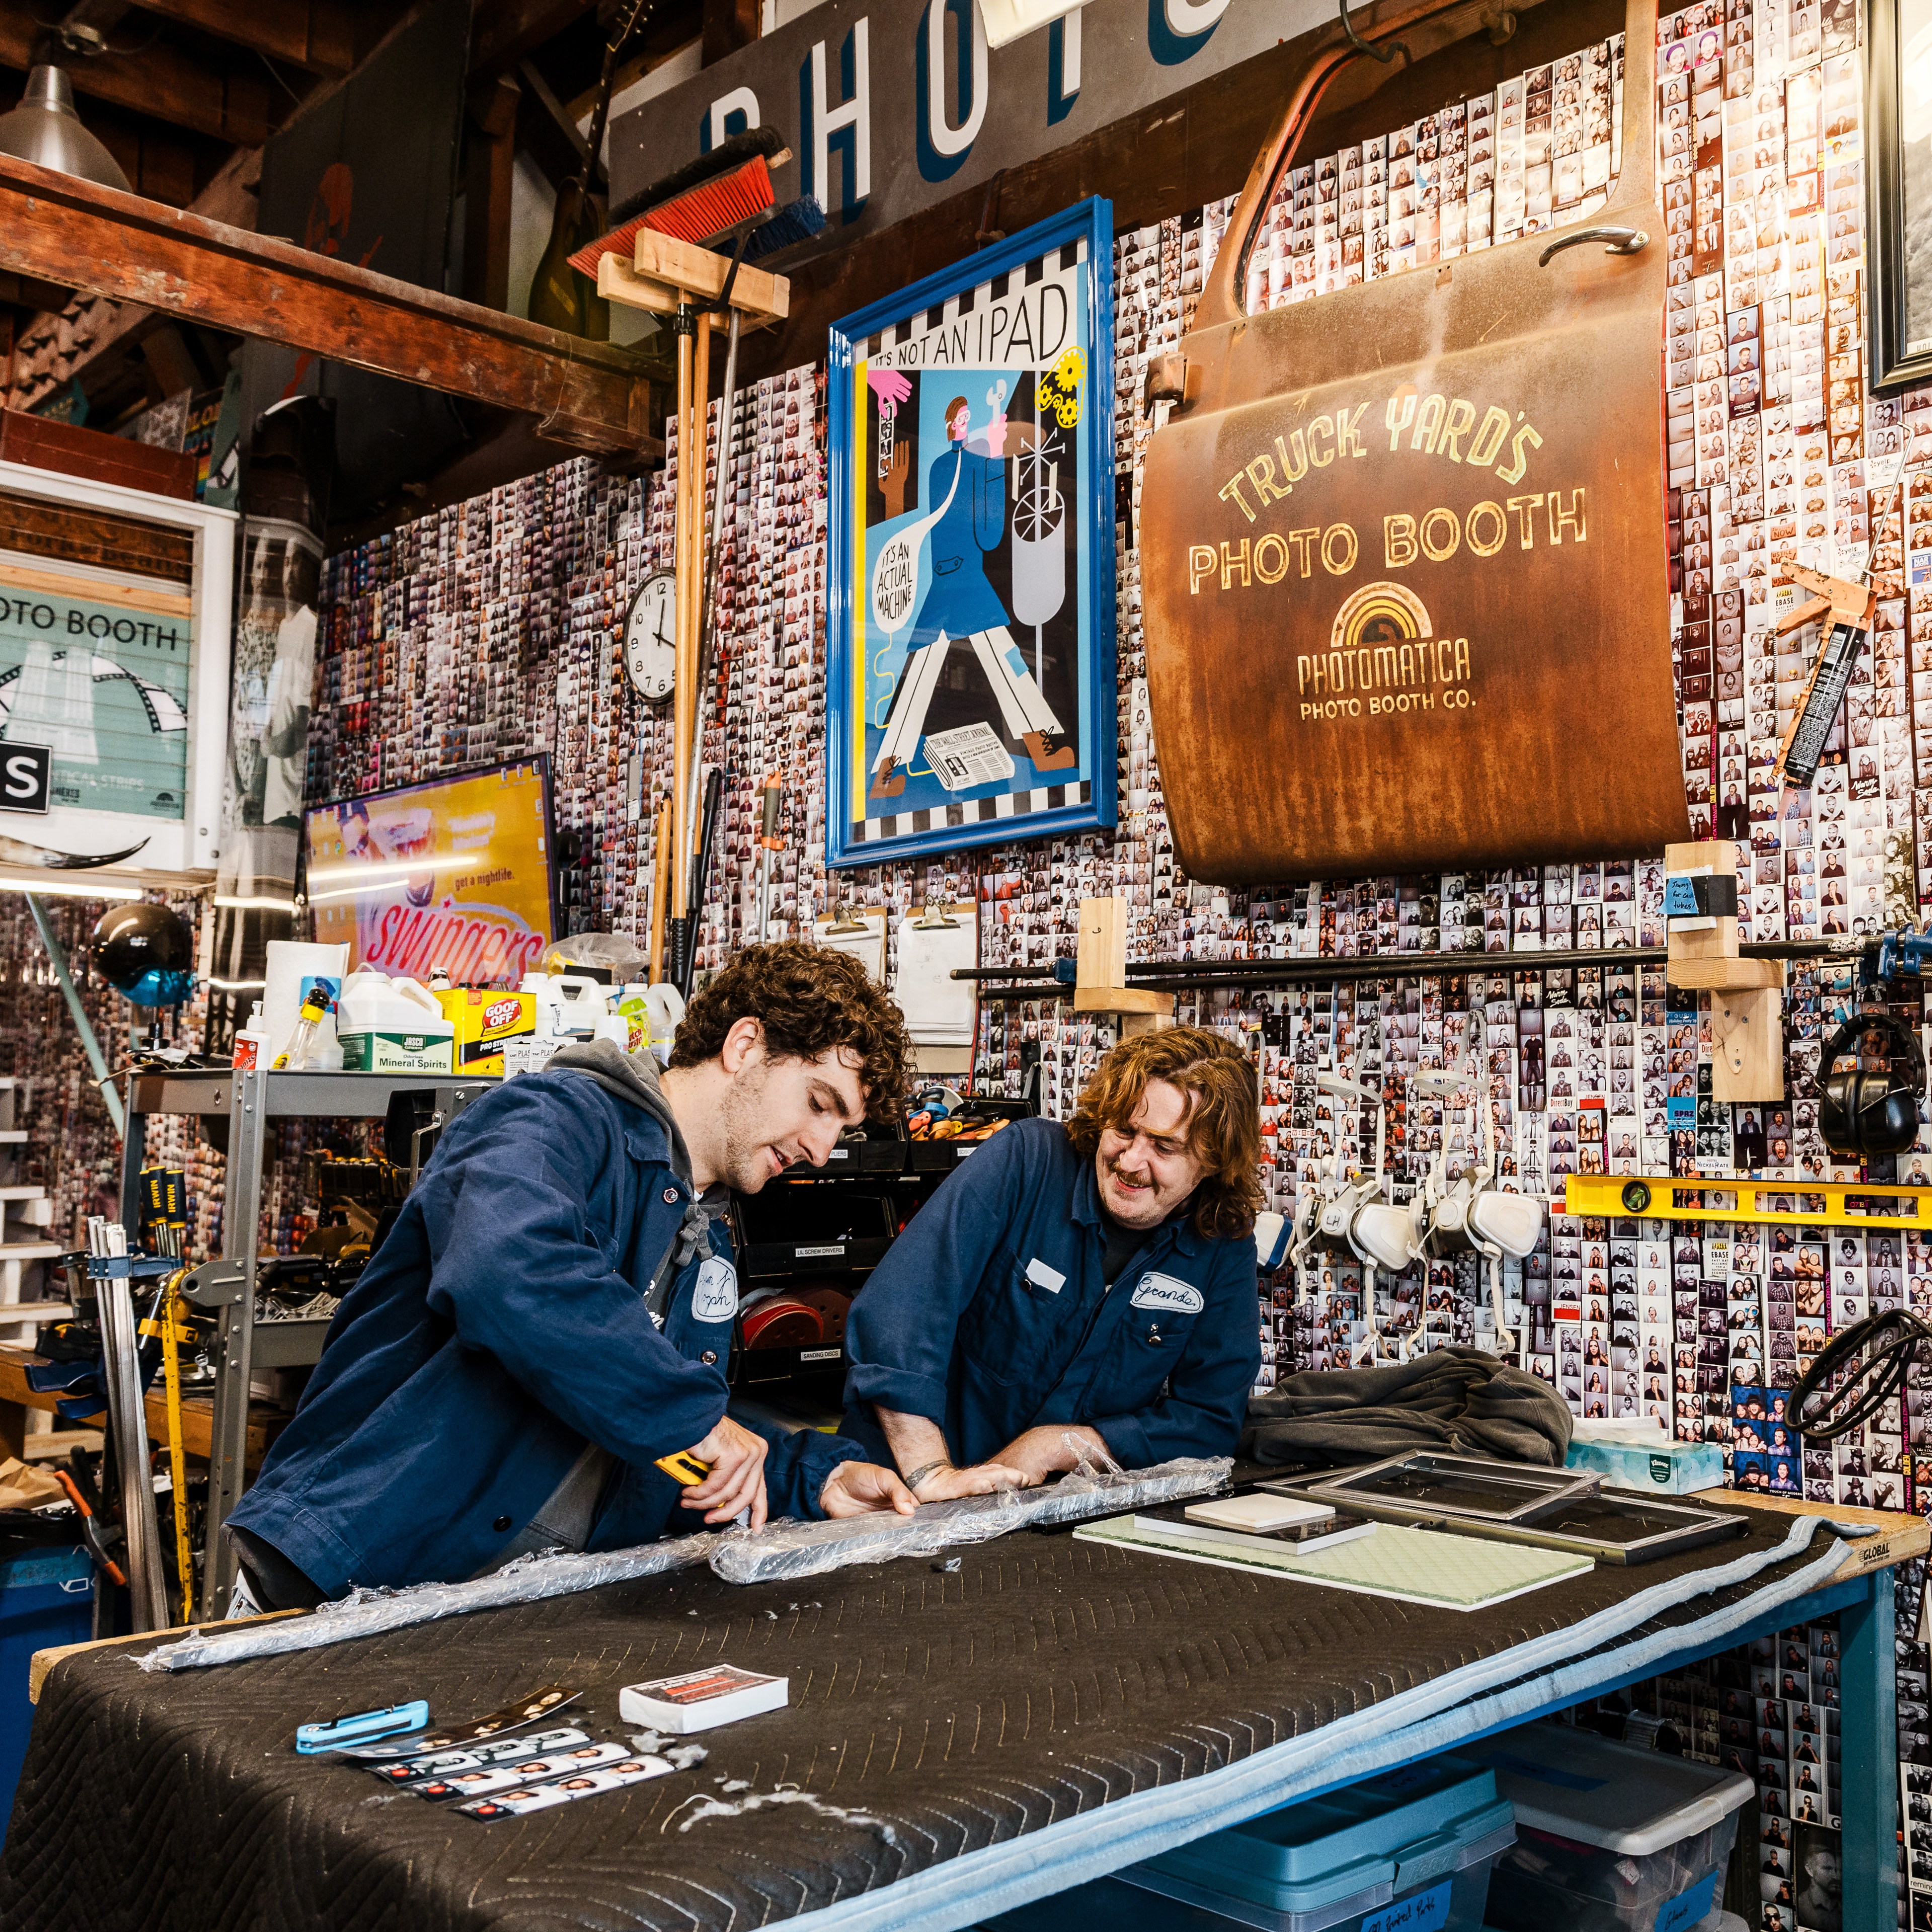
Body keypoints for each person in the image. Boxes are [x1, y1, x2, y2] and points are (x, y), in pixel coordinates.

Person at [225, 944, 943, 1608]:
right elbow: (505, 1266)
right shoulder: (550, 1120)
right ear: (744, 1044)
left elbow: (661, 1449)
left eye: (841, 1128)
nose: (822, 1148)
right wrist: (687, 1415)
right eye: (819, 1103)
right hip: (344, 1582)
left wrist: (810, 1476)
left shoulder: (707, 1242)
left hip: (492, 1614)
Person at [841, 1027, 1263, 1494]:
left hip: (1046, 1521)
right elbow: (899, 1313)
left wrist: (1063, 1445)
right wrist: (932, 1475)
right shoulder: (1026, 1161)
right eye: (1123, 1130)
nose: (1130, 1161)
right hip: (893, 1494)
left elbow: (1209, 1419)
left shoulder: (1222, 1243)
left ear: (1214, 1160)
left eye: (1164, 1147)